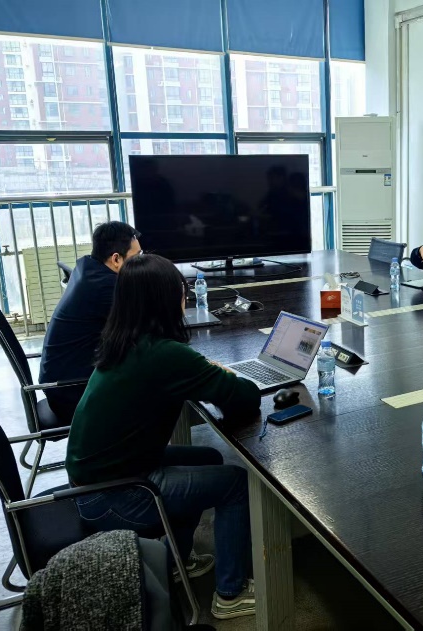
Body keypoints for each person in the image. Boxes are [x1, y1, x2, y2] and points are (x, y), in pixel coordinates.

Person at [64, 254, 261, 620]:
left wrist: (203, 372)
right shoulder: (164, 354)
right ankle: (231, 593)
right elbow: (244, 398)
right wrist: (221, 374)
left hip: (95, 478)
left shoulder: (124, 341)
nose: (185, 299)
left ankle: (175, 561)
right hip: (113, 494)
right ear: (167, 301)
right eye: (181, 292)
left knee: (208, 459)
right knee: (236, 483)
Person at [39, 221, 141, 422]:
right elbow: (147, 327)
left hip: (60, 384)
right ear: (116, 259)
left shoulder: (87, 269)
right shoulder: (106, 287)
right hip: (73, 393)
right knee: (157, 383)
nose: (141, 262)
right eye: (136, 257)